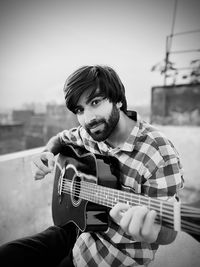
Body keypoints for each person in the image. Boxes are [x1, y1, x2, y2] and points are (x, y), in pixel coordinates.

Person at [0, 65, 184, 267]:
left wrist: (154, 232)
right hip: (76, 228)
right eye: (80, 110)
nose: (87, 119)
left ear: (118, 100)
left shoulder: (157, 151)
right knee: (8, 255)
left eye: (95, 102)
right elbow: (59, 139)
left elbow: (169, 232)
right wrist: (47, 153)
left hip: (111, 257)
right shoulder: (90, 133)